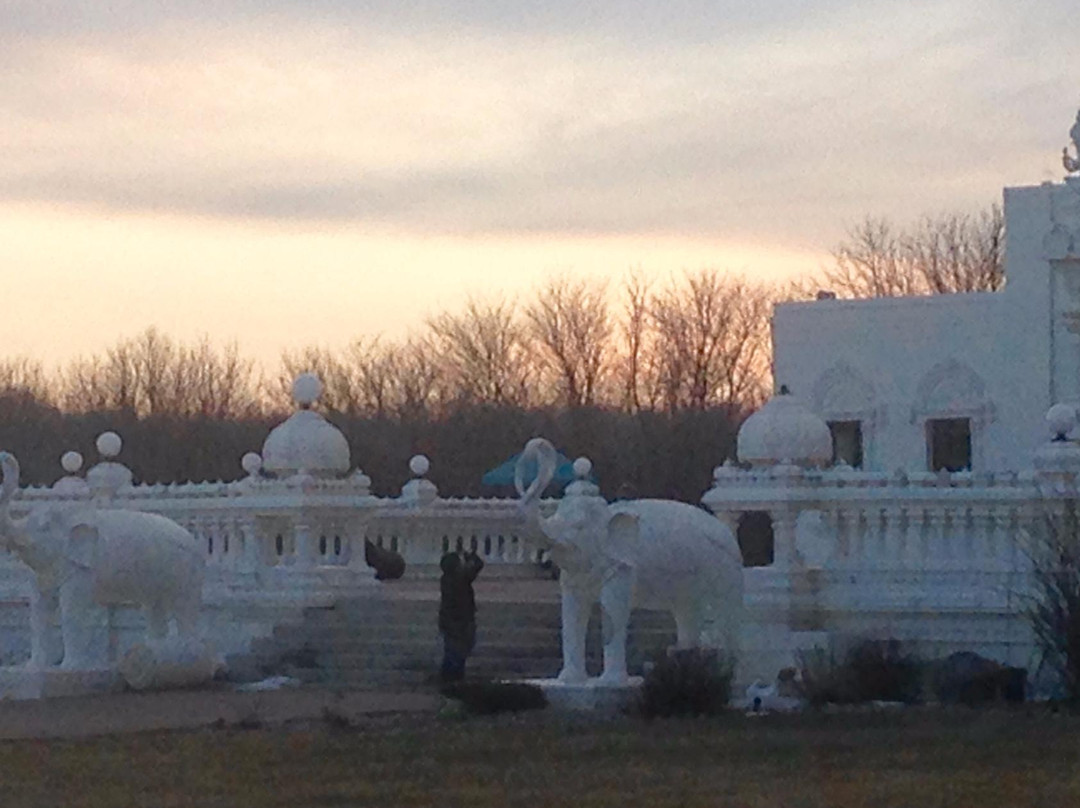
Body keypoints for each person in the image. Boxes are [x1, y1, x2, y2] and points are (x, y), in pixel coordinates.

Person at [438, 547, 484, 683]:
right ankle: (453, 678)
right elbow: (478, 566)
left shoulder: (447, 579)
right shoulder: (460, 578)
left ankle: (449, 677)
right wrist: (471, 557)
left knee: (452, 650)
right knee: (459, 650)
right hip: (461, 621)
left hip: (449, 620)